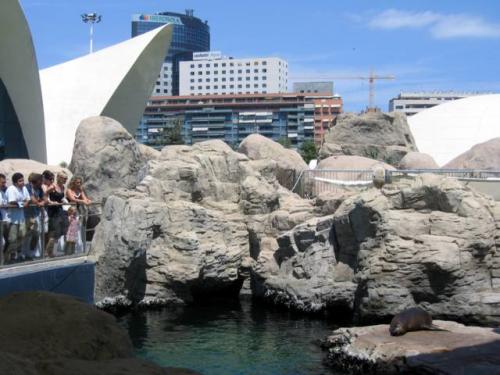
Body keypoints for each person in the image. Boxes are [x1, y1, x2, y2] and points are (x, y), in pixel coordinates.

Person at [5, 173, 30, 263]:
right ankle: (9, 257)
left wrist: (26, 202)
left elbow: (28, 199)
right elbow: (12, 202)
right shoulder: (11, 189)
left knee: (23, 235)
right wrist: (22, 203)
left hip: (21, 217)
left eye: (23, 180)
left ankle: (16, 254)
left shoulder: (24, 188)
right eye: (20, 181)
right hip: (12, 219)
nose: (22, 182)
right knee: (12, 239)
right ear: (15, 182)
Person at [66, 176, 91, 253]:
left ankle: (78, 249)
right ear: (73, 182)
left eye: (80, 182)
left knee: (78, 230)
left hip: (78, 212)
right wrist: (83, 201)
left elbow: (85, 198)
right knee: (71, 231)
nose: (79, 184)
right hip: (71, 212)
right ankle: (69, 250)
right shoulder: (69, 190)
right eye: (77, 182)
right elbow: (72, 199)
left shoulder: (80, 190)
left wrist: (88, 200)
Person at [45, 172, 68, 257]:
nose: (65, 180)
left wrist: (65, 203)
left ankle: (52, 252)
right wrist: (50, 202)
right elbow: (45, 195)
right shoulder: (52, 186)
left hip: (60, 210)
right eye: (64, 178)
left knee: (60, 232)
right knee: (53, 233)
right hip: (53, 211)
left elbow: (61, 197)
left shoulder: (62, 187)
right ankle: (47, 252)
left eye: (66, 178)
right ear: (59, 177)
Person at [24, 173, 45, 259]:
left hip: (36, 214)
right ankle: (25, 254)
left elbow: (44, 199)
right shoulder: (28, 187)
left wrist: (42, 202)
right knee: (27, 235)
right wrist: (38, 203)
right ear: (37, 181)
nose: (42, 183)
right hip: (28, 215)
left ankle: (32, 253)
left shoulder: (39, 188)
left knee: (36, 234)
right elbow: (31, 198)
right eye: (41, 181)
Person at [0, 174, 9, 264]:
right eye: (2, 182)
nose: (4, 184)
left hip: (3, 220)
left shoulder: (2, 193)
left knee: (6, 241)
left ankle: (3, 261)